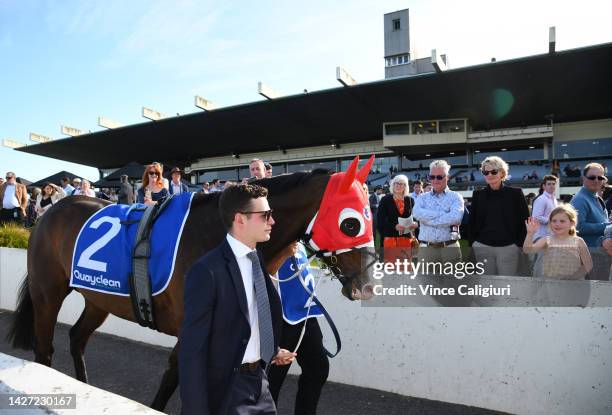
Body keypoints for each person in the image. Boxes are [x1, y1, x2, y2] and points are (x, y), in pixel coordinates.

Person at [179, 184, 296, 415]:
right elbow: (192, 351)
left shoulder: (256, 259)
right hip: (227, 392)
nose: (272, 221)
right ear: (240, 219)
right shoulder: (206, 271)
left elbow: (247, 319)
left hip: (259, 384)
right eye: (265, 216)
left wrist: (270, 351)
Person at [267, 242, 330, 415]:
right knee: (271, 381)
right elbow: (262, 271)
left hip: (304, 311)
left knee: (318, 368)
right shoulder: (268, 231)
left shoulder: (299, 234)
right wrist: (283, 254)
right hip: (279, 316)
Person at [469, 156, 530, 276]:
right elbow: (472, 222)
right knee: (487, 285)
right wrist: (474, 243)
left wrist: (517, 244)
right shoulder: (478, 194)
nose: (489, 175)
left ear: (502, 173)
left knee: (507, 285)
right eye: (485, 172)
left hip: (508, 247)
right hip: (483, 246)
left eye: (493, 171)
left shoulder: (516, 194)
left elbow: (525, 221)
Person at [412, 160, 464, 264]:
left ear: (447, 177)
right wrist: (443, 214)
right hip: (426, 249)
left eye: (439, 177)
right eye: (432, 177)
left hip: (450, 247)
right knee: (426, 281)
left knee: (452, 280)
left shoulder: (456, 197)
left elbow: (456, 218)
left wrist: (427, 219)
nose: (435, 180)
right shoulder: (422, 197)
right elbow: (416, 213)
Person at [524, 205, 592, 279]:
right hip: (551, 285)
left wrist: (574, 277)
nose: (557, 224)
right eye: (554, 221)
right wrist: (530, 233)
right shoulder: (546, 240)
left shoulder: (578, 241)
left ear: (572, 223)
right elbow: (528, 250)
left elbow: (588, 264)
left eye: (562, 221)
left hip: (573, 285)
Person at [570, 162, 610, 280]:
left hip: (600, 254)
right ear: (583, 178)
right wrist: (607, 226)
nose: (596, 180)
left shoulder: (595, 197)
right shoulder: (579, 199)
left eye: (600, 177)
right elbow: (578, 227)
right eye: (592, 177)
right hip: (590, 256)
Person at [377, 174, 418, 263]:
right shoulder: (385, 199)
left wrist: (415, 223)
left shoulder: (410, 200)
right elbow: (380, 221)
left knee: (405, 269)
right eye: (396, 183)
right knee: (390, 269)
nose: (398, 186)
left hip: (406, 239)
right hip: (390, 239)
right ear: (392, 185)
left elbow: (415, 217)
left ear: (405, 186)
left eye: (402, 184)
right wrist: (394, 226)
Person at [531, 175, 558, 241]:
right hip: (541, 236)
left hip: (550, 235)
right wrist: (552, 221)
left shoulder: (554, 200)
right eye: (549, 184)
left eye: (553, 184)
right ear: (544, 186)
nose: (552, 186)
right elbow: (536, 217)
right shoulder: (541, 199)